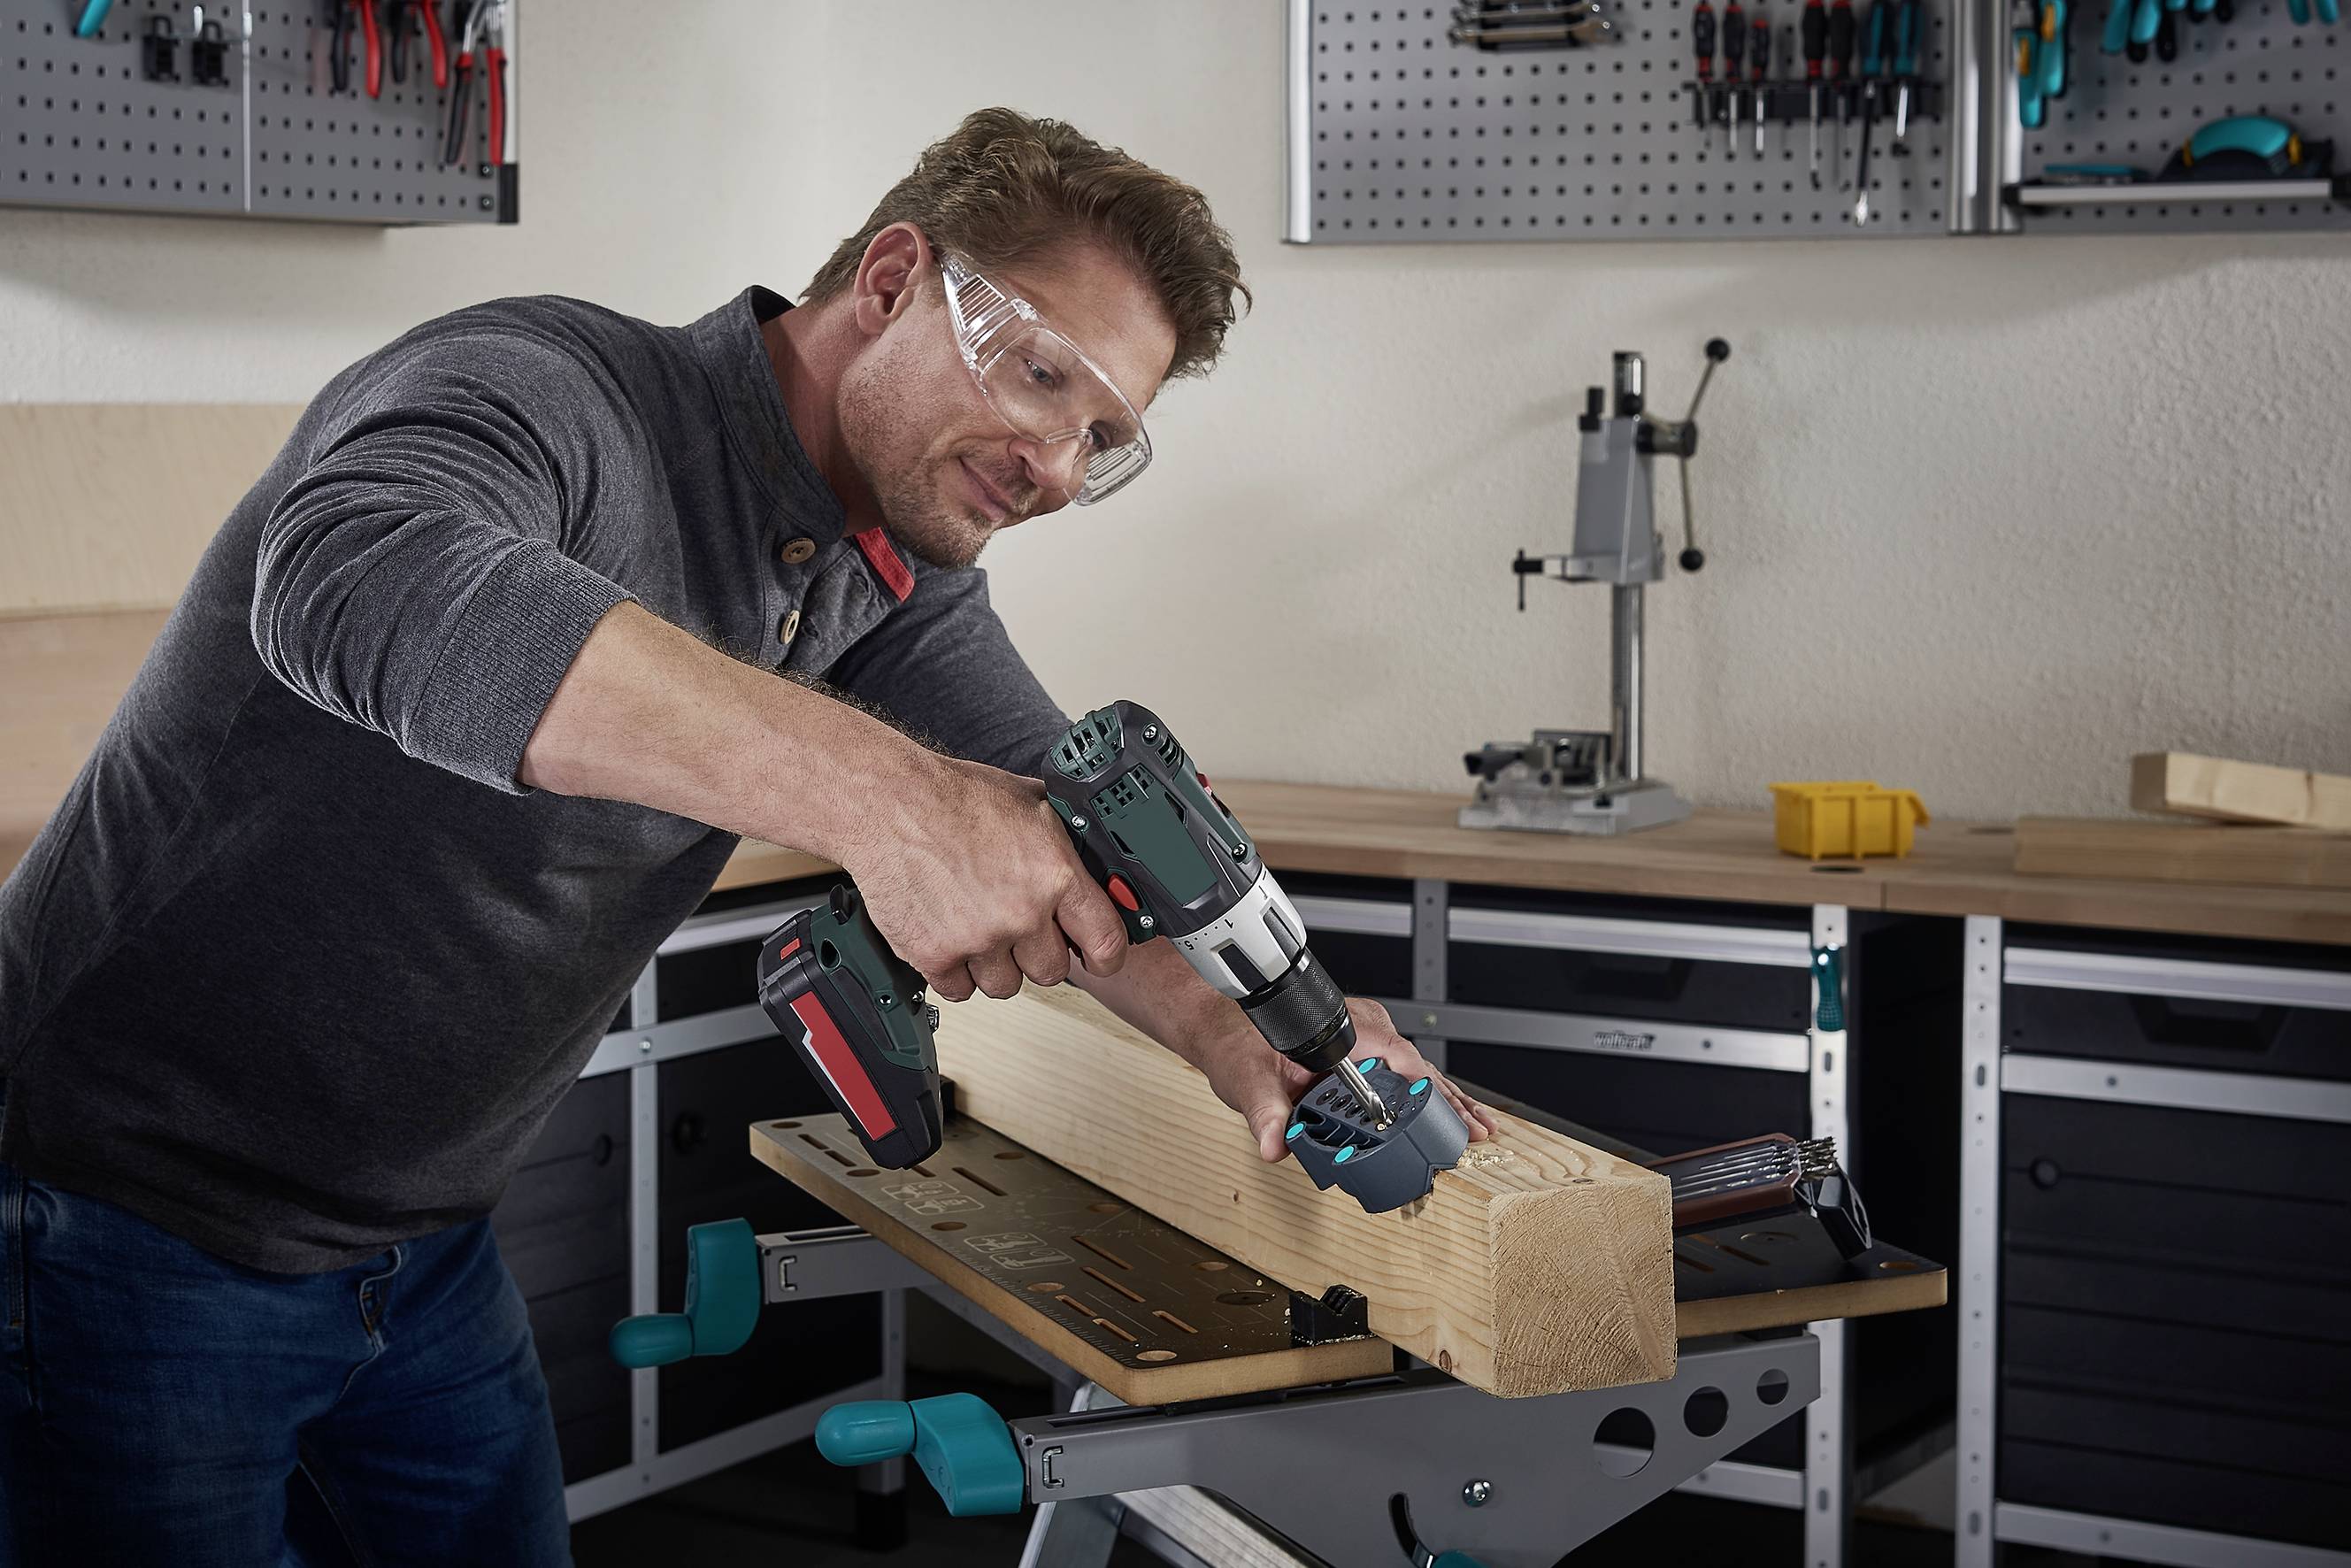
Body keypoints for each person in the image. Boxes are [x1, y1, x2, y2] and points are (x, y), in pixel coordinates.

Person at [0, 107, 1492, 1564]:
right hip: (110, 1226)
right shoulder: (550, 388)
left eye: (1102, 438)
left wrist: (1254, 1036)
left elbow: (1067, 827)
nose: (1054, 462)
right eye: (1043, 377)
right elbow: (357, 582)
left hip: (424, 1247)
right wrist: (894, 802)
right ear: (896, 280)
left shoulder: (882, 576)